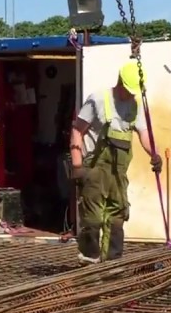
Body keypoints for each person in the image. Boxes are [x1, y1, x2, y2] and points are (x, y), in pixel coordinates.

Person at [68, 60, 163, 265]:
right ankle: (89, 265)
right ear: (119, 82)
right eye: (128, 90)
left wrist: (154, 154)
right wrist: (77, 166)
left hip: (118, 174)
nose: (131, 95)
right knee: (92, 220)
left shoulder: (135, 105)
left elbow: (144, 133)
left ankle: (112, 266)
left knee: (116, 218)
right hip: (94, 170)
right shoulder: (98, 99)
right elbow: (77, 131)